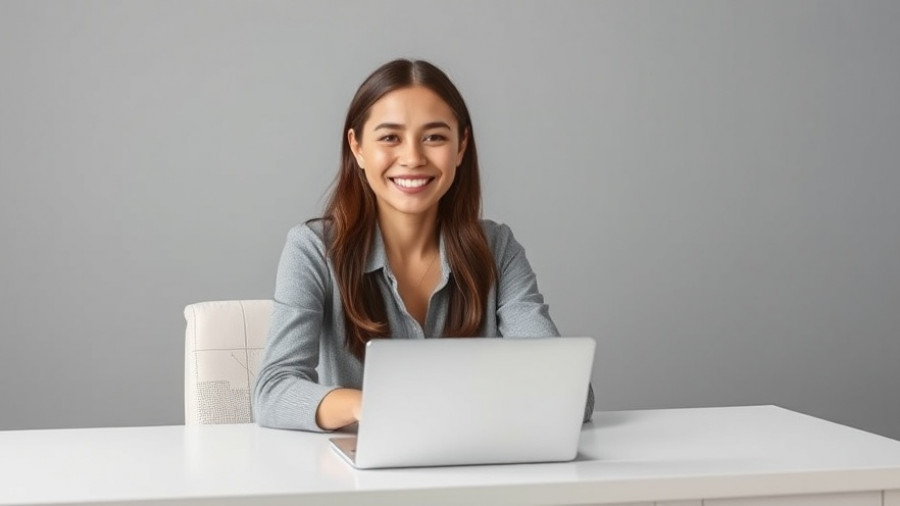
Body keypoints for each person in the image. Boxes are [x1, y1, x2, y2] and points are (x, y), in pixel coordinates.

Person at [253, 59, 593, 432]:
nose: (413, 158)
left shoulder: (497, 248)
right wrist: (370, 406)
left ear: (461, 146)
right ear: (358, 147)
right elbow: (273, 392)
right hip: (360, 479)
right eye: (389, 137)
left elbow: (571, 395)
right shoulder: (313, 249)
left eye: (435, 137)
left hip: (480, 468)